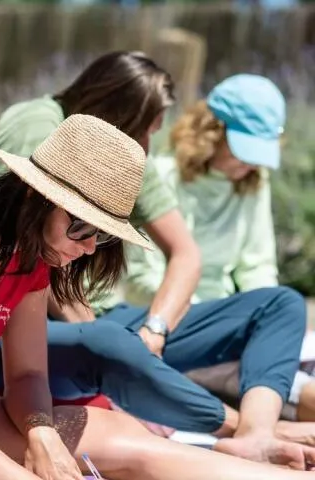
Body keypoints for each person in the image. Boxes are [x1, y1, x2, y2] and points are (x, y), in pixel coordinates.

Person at [0, 115, 314, 480]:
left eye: (103, 236)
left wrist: (41, 430)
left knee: (115, 434)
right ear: (33, 197)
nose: (88, 247)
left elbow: (24, 375)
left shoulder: (32, 253)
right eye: (81, 225)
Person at [0, 54, 314, 462]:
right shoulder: (40, 125)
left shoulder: (123, 155)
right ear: (117, 110)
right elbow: (19, 243)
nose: (149, 145)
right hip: (6, 333)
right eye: (148, 129)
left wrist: (155, 330)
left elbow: (185, 253)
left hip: (101, 324)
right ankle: (244, 427)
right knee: (108, 342)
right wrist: (103, 335)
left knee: (280, 303)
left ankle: (256, 433)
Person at [123, 73, 315, 428]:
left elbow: (258, 267)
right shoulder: (160, 178)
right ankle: (258, 427)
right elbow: (140, 278)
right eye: (244, 150)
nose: (252, 164)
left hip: (232, 319)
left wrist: (257, 322)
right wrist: (215, 324)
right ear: (210, 132)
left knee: (286, 325)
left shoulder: (253, 184)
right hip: (172, 321)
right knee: (282, 380)